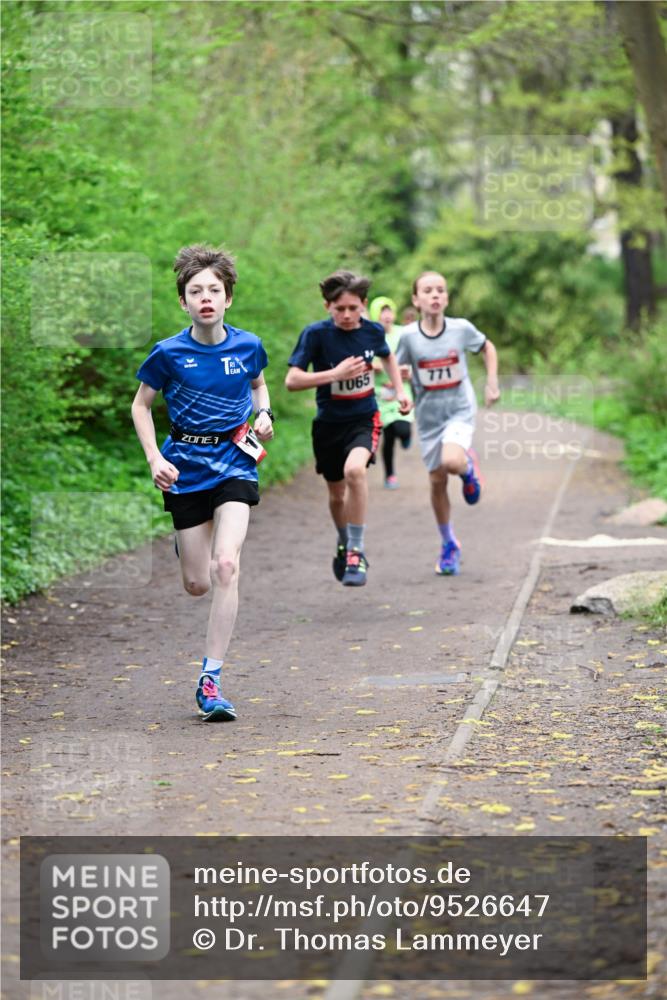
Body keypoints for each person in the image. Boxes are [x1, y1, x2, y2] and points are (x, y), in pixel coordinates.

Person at [131, 245, 274, 722]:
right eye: (196, 292)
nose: (206, 298)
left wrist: (265, 414)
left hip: (235, 461)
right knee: (197, 583)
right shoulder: (168, 353)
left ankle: (210, 679)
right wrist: (154, 458)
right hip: (184, 468)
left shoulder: (248, 346)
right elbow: (140, 405)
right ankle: (188, 544)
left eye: (214, 290)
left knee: (226, 566)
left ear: (228, 298)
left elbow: (258, 384)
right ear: (184, 302)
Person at [285, 270, 411, 587]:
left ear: (363, 305)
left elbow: (388, 357)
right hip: (328, 425)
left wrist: (400, 390)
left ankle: (356, 550)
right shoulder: (315, 335)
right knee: (336, 495)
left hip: (363, 419)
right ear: (327, 306)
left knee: (355, 471)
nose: (346, 315)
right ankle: (344, 541)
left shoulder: (372, 331)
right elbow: (292, 380)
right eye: (339, 308)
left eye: (353, 308)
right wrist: (334, 375)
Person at [396, 270, 500, 576]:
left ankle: (467, 469)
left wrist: (492, 382)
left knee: (451, 461)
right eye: (428, 290)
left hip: (459, 410)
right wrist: (402, 388)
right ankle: (449, 543)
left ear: (447, 298)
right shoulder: (408, 337)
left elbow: (487, 347)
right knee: (437, 481)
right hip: (429, 418)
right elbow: (397, 369)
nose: (435, 295)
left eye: (440, 290)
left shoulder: (460, 329)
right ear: (416, 300)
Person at [368, 296, 414, 490]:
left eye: (389, 311)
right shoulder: (369, 335)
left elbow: (414, 357)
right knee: (388, 436)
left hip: (401, 390)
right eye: (382, 312)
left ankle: (406, 436)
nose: (386, 316)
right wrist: (374, 366)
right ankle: (390, 475)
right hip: (380, 394)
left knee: (402, 429)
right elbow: (360, 360)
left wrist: (409, 371)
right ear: (375, 315)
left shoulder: (403, 333)